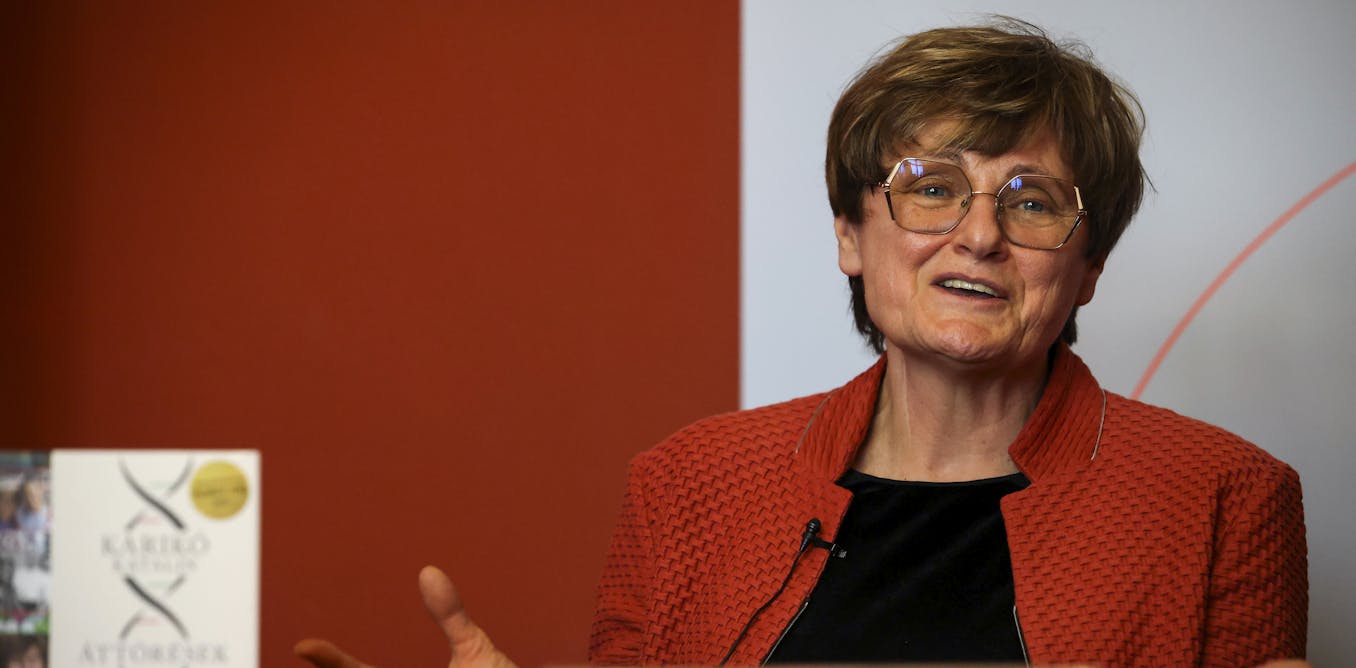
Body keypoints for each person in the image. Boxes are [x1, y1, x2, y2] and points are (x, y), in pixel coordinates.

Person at [297, 18, 1308, 668]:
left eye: (1032, 200)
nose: (980, 233)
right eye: (932, 187)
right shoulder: (686, 486)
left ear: (1087, 266)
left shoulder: (1225, 496)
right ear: (849, 237)